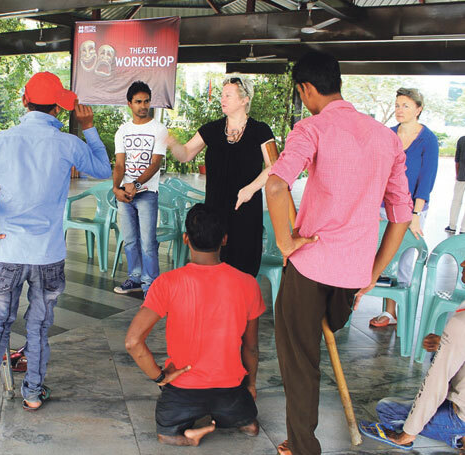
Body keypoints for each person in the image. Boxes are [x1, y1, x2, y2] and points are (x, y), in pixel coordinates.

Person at [265, 51, 412, 455]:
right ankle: (300, 440)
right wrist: (372, 272)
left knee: (300, 359)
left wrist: (285, 242)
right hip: (351, 277)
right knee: (314, 345)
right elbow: (401, 214)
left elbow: (276, 187)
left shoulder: (311, 128)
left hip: (310, 266)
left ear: (305, 89)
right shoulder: (387, 137)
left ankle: (302, 445)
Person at [0, 72, 111, 423]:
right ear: (56, 107)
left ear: (24, 101)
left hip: (7, 252)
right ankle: (33, 394)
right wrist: (89, 127)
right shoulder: (69, 143)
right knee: (39, 325)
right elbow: (104, 170)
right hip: (48, 255)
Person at [125, 203, 263, 447]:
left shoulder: (167, 283)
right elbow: (250, 348)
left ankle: (188, 437)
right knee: (250, 427)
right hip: (229, 389)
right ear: (224, 239)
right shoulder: (248, 283)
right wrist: (250, 385)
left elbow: (133, 341)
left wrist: (159, 376)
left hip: (182, 390)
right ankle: (234, 419)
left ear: (186, 238)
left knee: (166, 434)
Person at [166, 74, 277, 276]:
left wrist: (250, 189)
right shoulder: (212, 129)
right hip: (214, 213)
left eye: (228, 95)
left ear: (245, 100)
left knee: (243, 269)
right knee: (214, 270)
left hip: (245, 211)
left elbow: (274, 165)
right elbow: (185, 154)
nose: (222, 99)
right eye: (222, 95)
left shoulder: (261, 131)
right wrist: (171, 142)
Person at [359, 261, 465, 451]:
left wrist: (408, 433)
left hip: (460, 417)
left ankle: (460, 436)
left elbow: (436, 383)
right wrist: (444, 342)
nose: (463, 263)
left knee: (387, 409)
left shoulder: (461, 323)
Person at [370, 87, 439, 328]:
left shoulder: (428, 140)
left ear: (419, 110)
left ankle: (403, 309)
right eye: (398, 105)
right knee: (383, 257)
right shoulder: (387, 134)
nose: (400, 110)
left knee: (405, 260)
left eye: (406, 106)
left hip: (412, 209)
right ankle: (389, 312)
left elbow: (427, 180)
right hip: (382, 206)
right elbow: (377, 173)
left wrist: (416, 215)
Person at [112, 81, 167, 296]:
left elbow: (155, 164)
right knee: (131, 239)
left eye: (146, 101)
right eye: (138, 102)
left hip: (146, 194)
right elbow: (119, 164)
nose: (143, 106)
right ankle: (135, 278)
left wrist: (135, 185)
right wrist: (116, 188)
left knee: (147, 241)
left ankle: (150, 284)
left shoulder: (159, 129)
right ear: (129, 104)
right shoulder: (123, 130)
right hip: (125, 194)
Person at [447, 136, 465, 235]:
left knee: (456, 201)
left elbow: (457, 160)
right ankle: (464, 229)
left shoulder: (462, 140)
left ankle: (452, 226)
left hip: (461, 176)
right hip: (461, 176)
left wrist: (457, 174)